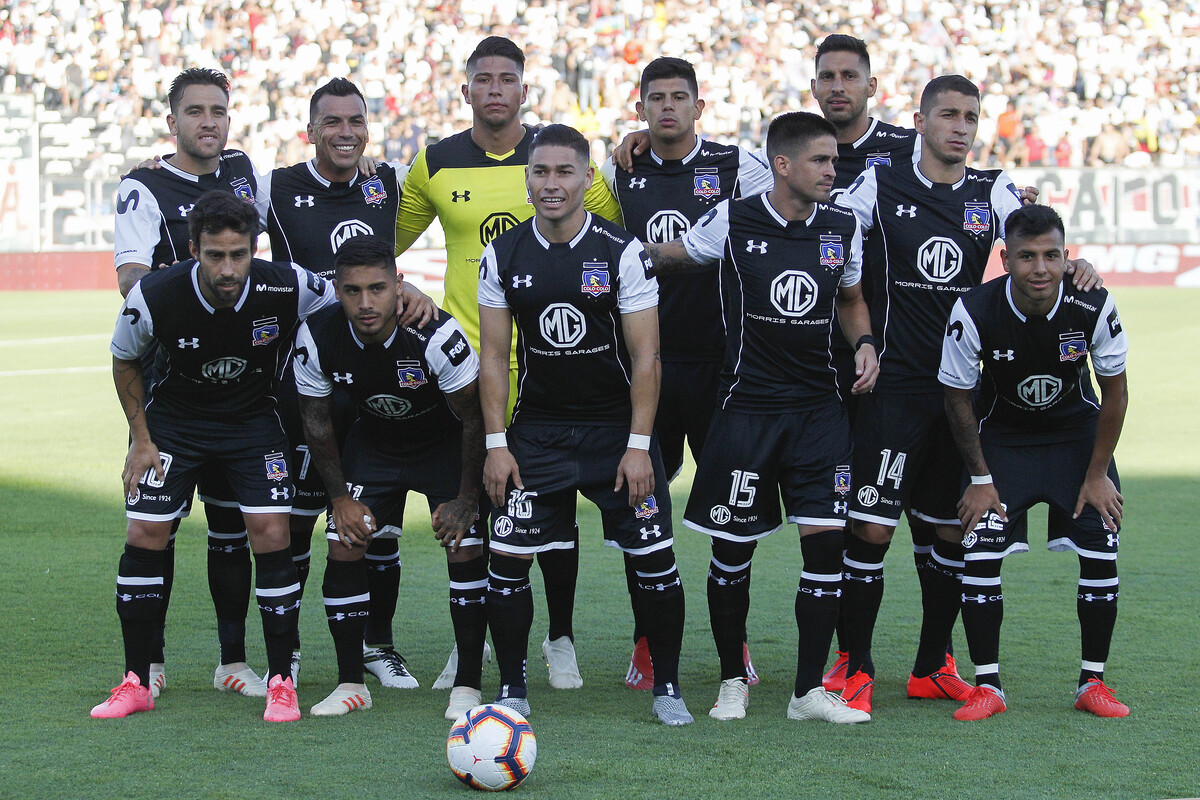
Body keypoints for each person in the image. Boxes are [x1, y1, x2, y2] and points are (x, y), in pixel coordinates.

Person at [834, 75, 1099, 716]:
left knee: (952, 530)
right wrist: (864, 341)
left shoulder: (994, 190)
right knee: (871, 529)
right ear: (919, 121)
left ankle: (932, 665)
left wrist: (1079, 264)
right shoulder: (878, 184)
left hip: (963, 394)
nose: (960, 126)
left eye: (970, 117)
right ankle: (855, 667)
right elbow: (843, 275)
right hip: (894, 389)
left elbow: (1037, 241)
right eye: (947, 114)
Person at [395, 35, 622, 691]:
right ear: (466, 90)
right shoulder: (433, 164)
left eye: (507, 79)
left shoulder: (558, 158)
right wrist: (403, 286)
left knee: (550, 511)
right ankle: (477, 648)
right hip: (468, 371)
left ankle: (560, 640)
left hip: (557, 365)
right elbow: (383, 251)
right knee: (477, 505)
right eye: (483, 79)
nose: (495, 89)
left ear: (525, 89)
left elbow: (616, 233)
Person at [643, 111, 877, 724]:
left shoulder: (843, 226)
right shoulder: (733, 218)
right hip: (746, 409)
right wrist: (601, 247)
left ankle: (806, 693)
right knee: (732, 552)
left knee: (826, 553)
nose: (833, 170)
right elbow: (675, 253)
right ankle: (731, 682)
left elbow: (851, 300)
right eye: (821, 161)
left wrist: (865, 344)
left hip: (819, 412)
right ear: (782, 165)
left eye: (834, 160)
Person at [93, 190, 339, 721]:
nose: (228, 269)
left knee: (272, 532)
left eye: (239, 255)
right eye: (214, 255)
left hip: (254, 424)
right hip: (175, 426)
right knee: (145, 533)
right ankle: (135, 680)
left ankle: (280, 683)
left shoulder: (286, 283)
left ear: (256, 249)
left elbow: (346, 300)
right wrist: (140, 439)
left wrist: (406, 291)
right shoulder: (155, 295)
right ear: (192, 249)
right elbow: (124, 360)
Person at [477, 124, 691, 725]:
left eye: (564, 172)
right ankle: (514, 687)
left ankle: (667, 689)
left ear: (587, 178)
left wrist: (639, 447)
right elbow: (494, 357)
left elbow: (648, 356)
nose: (551, 184)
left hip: (612, 434)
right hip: (537, 433)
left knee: (653, 558)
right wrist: (497, 445)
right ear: (527, 180)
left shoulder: (620, 251)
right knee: (509, 560)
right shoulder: (504, 254)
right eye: (540, 172)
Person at [600, 56, 772, 692]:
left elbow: (795, 199)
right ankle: (647, 644)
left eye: (680, 97)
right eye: (656, 98)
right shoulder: (619, 171)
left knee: (733, 508)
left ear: (700, 106)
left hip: (723, 368)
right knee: (642, 506)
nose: (667, 107)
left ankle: (737, 640)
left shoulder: (737, 166)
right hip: (644, 369)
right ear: (639, 107)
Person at [255, 77, 433, 690]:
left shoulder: (387, 183)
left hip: (374, 383)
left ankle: (378, 646)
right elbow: (214, 218)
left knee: (375, 526)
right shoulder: (274, 187)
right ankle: (292, 651)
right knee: (303, 517)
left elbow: (392, 265)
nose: (346, 132)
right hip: (301, 380)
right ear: (312, 130)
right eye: (333, 122)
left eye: (356, 121)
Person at [939, 204, 1129, 721]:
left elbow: (1115, 393)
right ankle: (988, 687)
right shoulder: (974, 309)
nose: (1039, 268)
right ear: (1006, 258)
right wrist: (980, 479)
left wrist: (1096, 475)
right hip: (1002, 443)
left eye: (1051, 256)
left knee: (1102, 554)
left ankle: (1093, 682)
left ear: (1067, 257)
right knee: (978, 556)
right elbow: (956, 397)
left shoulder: (1092, 303)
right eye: (1026, 257)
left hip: (1076, 444)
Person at [112, 67, 262, 700]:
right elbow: (132, 280)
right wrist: (201, 291)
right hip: (169, 387)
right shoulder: (142, 186)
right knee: (157, 525)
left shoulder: (243, 172)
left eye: (218, 111)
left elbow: (267, 254)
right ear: (171, 121)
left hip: (242, 387)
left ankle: (233, 660)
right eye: (195, 111)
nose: (209, 121)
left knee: (233, 526)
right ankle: (147, 663)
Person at [293, 235, 488, 721]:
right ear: (336, 290)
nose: (365, 303)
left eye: (377, 288)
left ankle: (467, 684)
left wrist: (467, 497)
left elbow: (474, 419)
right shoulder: (317, 335)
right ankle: (349, 683)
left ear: (399, 285)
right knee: (344, 541)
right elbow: (316, 423)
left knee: (463, 547)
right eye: (352, 290)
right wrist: (338, 498)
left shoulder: (436, 334)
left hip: (443, 446)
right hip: (376, 444)